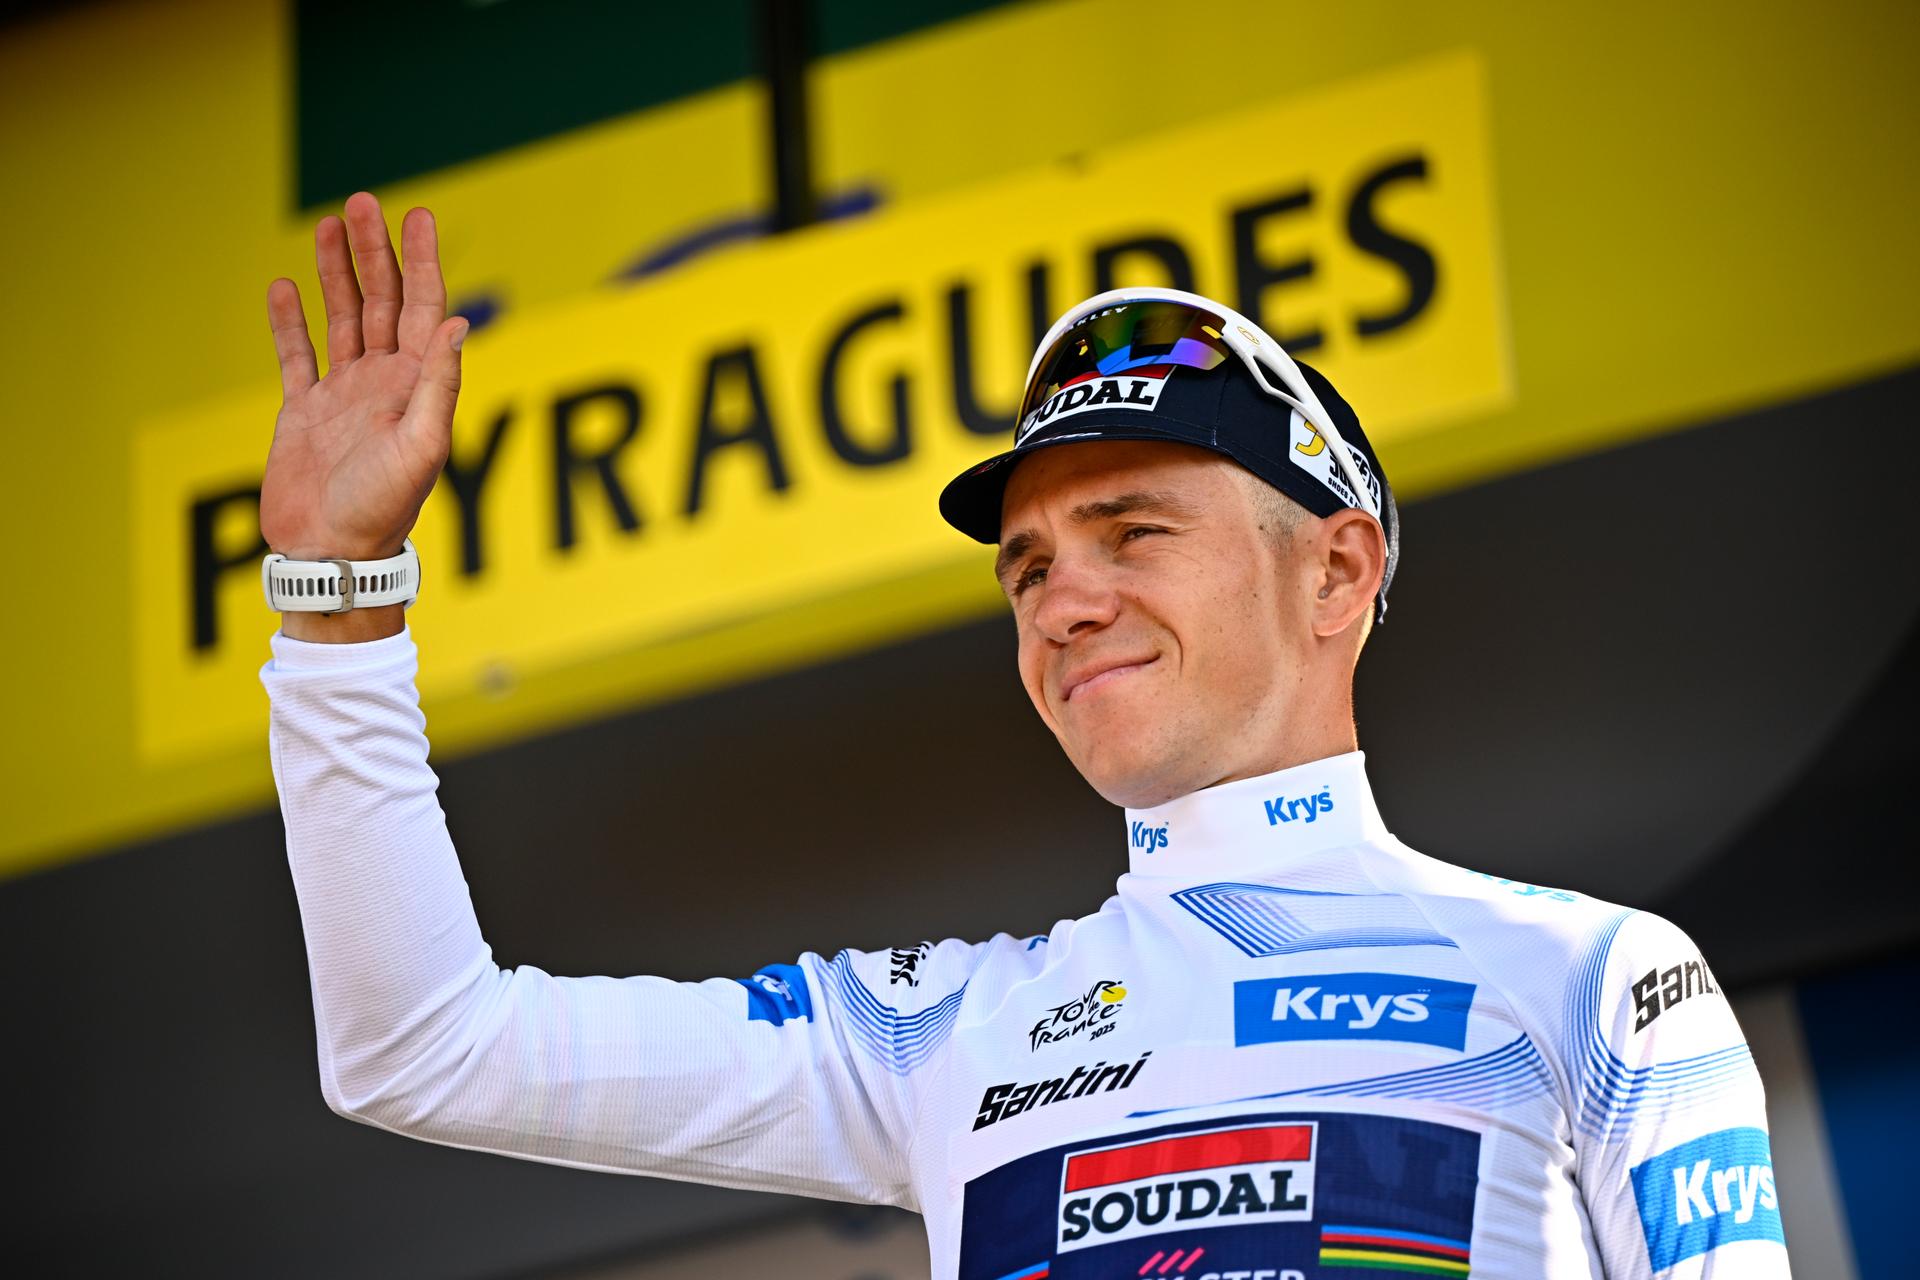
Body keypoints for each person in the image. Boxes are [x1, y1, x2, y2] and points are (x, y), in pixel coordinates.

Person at [260, 193, 1789, 1279]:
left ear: (1336, 571)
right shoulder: (946, 1035)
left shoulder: (1597, 981)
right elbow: (423, 1049)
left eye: (1134, 530)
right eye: (1031, 567)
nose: (1067, 600)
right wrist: (337, 604)